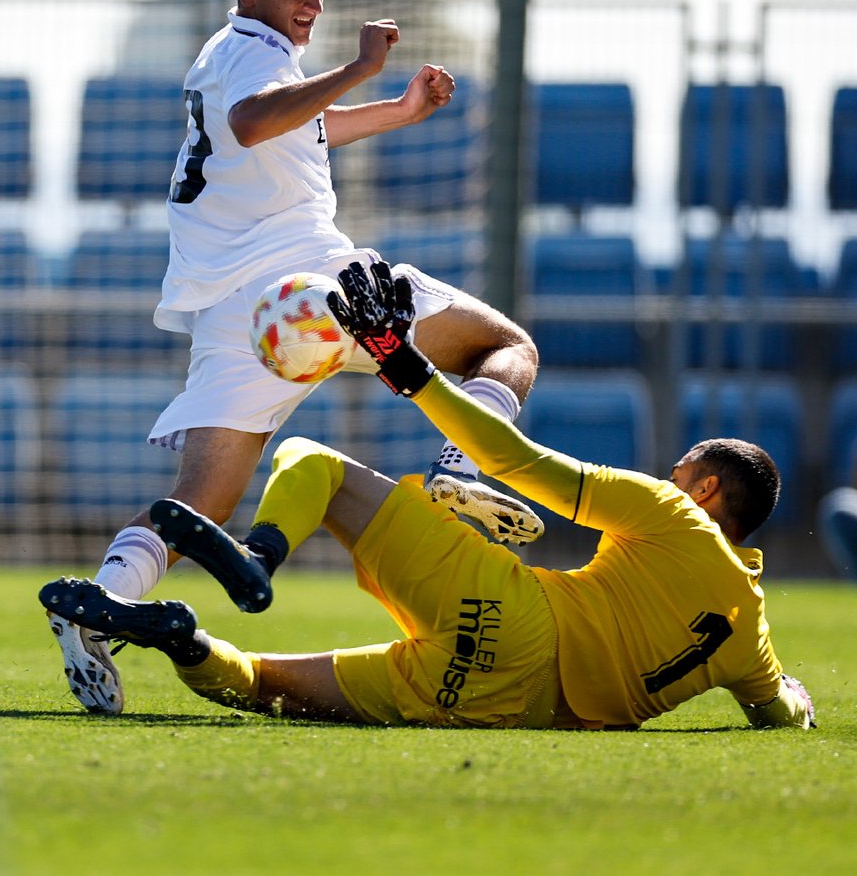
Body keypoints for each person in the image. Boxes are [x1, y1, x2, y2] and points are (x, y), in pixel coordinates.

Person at [47, 0, 541, 717]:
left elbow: (290, 130)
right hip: (311, 288)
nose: (311, 1)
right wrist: (358, 70)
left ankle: (96, 606)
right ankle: (459, 470)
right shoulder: (253, 58)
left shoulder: (233, 52)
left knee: (198, 498)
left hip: (234, 315)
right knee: (506, 347)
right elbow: (253, 121)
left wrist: (396, 110)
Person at [40, 262, 816, 732]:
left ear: (707, 488)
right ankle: (182, 640)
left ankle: (259, 556)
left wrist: (398, 359)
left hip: (510, 610)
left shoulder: (673, 516)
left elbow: (510, 457)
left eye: (681, 469)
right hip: (492, 703)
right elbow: (776, 708)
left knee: (316, 460)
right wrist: (795, 698)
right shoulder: (749, 635)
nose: (669, 474)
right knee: (262, 687)